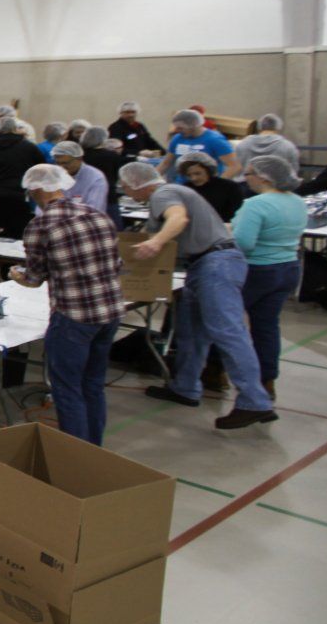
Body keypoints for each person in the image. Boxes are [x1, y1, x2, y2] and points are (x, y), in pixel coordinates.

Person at [121, 162, 273, 428]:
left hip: (215, 264)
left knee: (227, 331)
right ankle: (186, 386)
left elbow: (178, 219)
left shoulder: (163, 194)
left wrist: (154, 243)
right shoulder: (171, 193)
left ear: (135, 184)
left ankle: (254, 401)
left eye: (124, 187)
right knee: (192, 331)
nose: (124, 192)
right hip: (201, 266)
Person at [8, 165, 125, 445]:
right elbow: (117, 264)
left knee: (67, 388)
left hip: (73, 316)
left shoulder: (41, 225)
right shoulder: (98, 216)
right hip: (110, 311)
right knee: (93, 385)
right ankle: (93, 446)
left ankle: (74, 453)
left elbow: (34, 278)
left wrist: (17, 276)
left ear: (35, 190)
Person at [232, 156, 307, 405]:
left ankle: (216, 371)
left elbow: (244, 243)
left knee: (226, 324)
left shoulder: (256, 204)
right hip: (288, 268)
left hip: (258, 270)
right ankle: (267, 381)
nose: (246, 178)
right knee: (267, 327)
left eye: (249, 173)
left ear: (263, 177)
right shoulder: (297, 201)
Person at [0, 116, 47, 238]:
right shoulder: (28, 147)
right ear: (15, 128)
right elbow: (41, 168)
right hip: (17, 195)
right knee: (16, 232)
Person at [176, 153, 245, 222]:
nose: (193, 178)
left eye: (198, 173)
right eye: (188, 175)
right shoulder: (185, 189)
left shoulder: (229, 187)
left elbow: (239, 212)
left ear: (208, 170)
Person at [234, 115, 299, 178]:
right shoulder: (288, 146)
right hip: (276, 187)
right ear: (278, 128)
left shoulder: (243, 144)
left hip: (244, 185)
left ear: (259, 127)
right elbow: (293, 173)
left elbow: (235, 168)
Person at [50, 141, 107, 211]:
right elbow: (44, 205)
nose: (61, 167)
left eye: (65, 163)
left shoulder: (95, 178)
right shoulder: (54, 176)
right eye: (58, 163)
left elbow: (94, 209)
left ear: (79, 159)